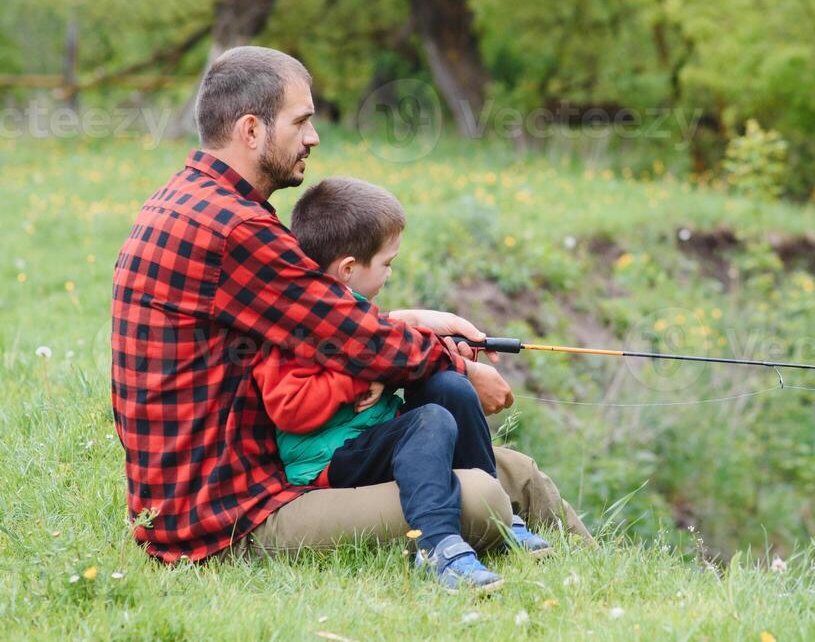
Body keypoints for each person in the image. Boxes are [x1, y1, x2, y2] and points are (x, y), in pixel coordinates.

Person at [111, 45, 588, 577]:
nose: (313, 137)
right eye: (301, 122)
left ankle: (598, 573)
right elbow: (359, 342)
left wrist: (407, 320)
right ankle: (502, 561)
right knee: (481, 495)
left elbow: (318, 320)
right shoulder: (236, 231)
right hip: (232, 517)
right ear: (251, 130)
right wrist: (465, 368)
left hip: (218, 487)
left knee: (512, 470)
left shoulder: (186, 202)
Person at [251, 176, 560, 591]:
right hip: (328, 461)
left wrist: (441, 350)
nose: (390, 274)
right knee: (428, 420)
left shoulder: (353, 312)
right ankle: (439, 548)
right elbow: (289, 408)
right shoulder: (296, 327)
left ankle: (503, 518)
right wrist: (351, 381)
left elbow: (391, 345)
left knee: (448, 389)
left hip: (370, 438)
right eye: (387, 264)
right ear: (348, 269)